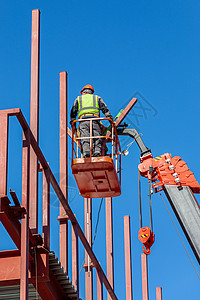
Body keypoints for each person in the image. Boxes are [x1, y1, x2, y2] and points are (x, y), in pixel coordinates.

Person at [70, 84, 113, 157]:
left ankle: (86, 152)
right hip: (95, 120)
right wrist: (110, 119)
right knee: (97, 136)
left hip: (83, 121)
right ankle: (97, 152)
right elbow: (104, 108)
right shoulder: (97, 98)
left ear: (83, 92)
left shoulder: (79, 99)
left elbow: (73, 111)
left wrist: (73, 123)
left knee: (85, 136)